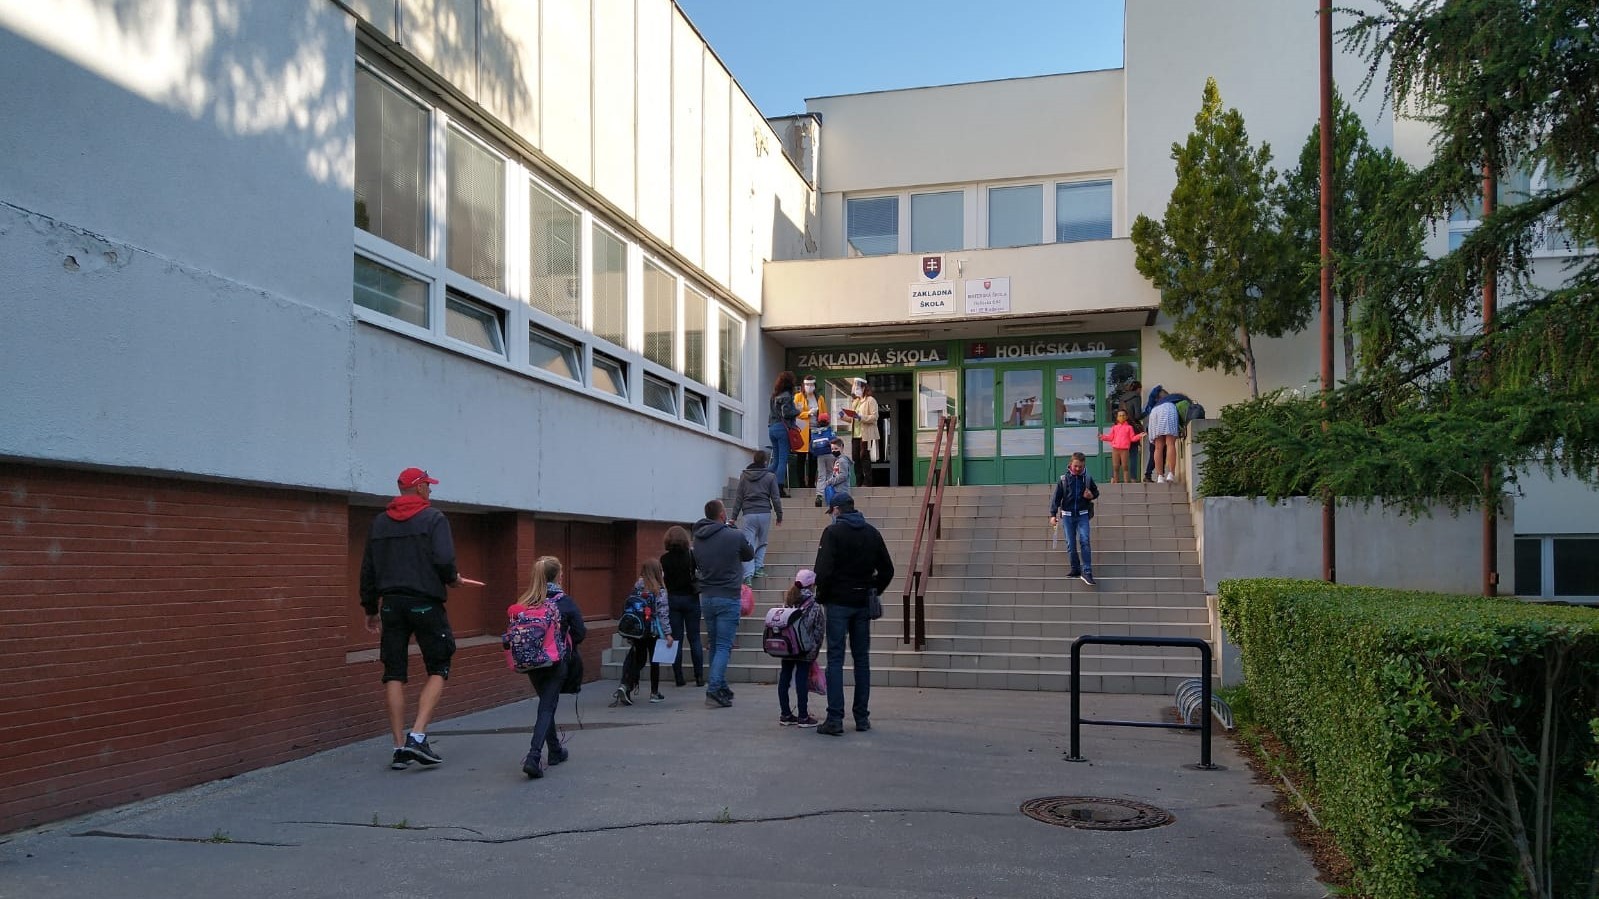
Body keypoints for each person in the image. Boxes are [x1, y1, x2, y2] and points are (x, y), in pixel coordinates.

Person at [360, 467, 468, 770]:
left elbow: (368, 569)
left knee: (393, 672)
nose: (430, 490)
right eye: (428, 486)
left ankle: (398, 748)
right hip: (425, 604)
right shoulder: (434, 519)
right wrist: (452, 579)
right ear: (419, 488)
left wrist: (370, 608)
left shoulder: (379, 523)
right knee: (439, 666)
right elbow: (444, 559)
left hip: (391, 606)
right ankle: (417, 736)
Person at [813, 490, 895, 736]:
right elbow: (887, 570)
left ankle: (835, 718)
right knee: (861, 660)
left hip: (838, 602)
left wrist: (822, 595)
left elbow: (822, 571)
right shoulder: (871, 533)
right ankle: (862, 717)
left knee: (835, 659)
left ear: (837, 510)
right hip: (862, 603)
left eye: (832, 511)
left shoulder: (832, 533)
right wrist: (873, 588)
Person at [512, 555, 586, 779]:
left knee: (547, 703)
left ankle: (555, 750)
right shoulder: (564, 602)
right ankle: (534, 756)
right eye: (561, 573)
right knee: (547, 707)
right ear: (557, 576)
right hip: (555, 662)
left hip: (531, 662)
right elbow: (580, 632)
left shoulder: (525, 602)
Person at [692, 498, 754, 708]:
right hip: (728, 595)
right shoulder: (733, 535)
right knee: (723, 646)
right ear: (722, 515)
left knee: (715, 643)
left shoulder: (698, 538)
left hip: (707, 596)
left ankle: (720, 685)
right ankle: (713, 688)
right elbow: (749, 554)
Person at [612, 560, 673, 706]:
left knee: (637, 659)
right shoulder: (659, 590)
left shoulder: (637, 587)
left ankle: (626, 685)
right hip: (652, 630)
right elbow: (662, 614)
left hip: (637, 630)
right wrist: (668, 633)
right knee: (654, 661)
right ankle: (654, 693)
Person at [660, 525, 703, 688]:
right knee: (695, 639)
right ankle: (699, 677)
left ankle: (678, 677)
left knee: (676, 640)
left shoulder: (664, 559)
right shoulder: (691, 556)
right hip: (691, 598)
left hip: (673, 599)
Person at [776, 569, 820, 728]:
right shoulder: (813, 604)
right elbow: (819, 630)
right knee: (802, 679)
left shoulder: (788, 600)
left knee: (784, 677)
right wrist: (814, 651)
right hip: (804, 648)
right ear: (812, 585)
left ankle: (785, 714)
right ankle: (803, 716)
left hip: (788, 646)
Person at [731, 448, 783, 582]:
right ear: (765, 462)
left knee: (749, 544)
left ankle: (748, 576)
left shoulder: (744, 476)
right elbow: (775, 498)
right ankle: (758, 567)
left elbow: (739, 497)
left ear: (753, 460)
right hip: (764, 512)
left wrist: (733, 517)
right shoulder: (770, 477)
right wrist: (779, 515)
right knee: (762, 542)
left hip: (748, 513)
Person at [1050, 452, 1101, 586]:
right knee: (1071, 544)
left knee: (1085, 541)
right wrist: (1053, 515)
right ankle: (1075, 568)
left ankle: (1087, 571)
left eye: (1081, 466)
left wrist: (1091, 495)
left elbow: (1096, 492)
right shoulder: (1063, 480)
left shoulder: (1087, 478)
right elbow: (1056, 498)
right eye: (1075, 466)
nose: (1078, 469)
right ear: (1070, 464)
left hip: (1083, 514)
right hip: (1067, 515)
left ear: (1084, 465)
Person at [1142, 385, 1191, 484]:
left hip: (1154, 412)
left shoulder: (1156, 404)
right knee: (1170, 444)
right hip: (1168, 410)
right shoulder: (1175, 399)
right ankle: (1171, 474)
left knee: (1158, 448)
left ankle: (1160, 476)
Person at [841, 378, 881, 487]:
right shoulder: (855, 401)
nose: (856, 390)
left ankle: (867, 482)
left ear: (864, 388)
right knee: (856, 457)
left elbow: (874, 417)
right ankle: (859, 481)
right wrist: (843, 416)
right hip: (855, 434)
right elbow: (852, 419)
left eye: (858, 388)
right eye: (855, 388)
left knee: (864, 456)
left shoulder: (870, 400)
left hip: (866, 434)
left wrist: (861, 417)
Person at [767, 371, 799, 497]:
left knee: (775, 461)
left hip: (772, 428)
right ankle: (779, 489)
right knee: (782, 461)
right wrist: (797, 411)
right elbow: (786, 413)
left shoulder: (774, 395)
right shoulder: (787, 396)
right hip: (782, 428)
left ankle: (760, 480)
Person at [793, 375, 828, 490]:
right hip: (802, 430)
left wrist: (822, 419)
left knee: (813, 458)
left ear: (814, 385)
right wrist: (808, 413)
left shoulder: (819, 398)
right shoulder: (798, 397)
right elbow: (795, 413)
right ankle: (801, 483)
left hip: (816, 431)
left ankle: (811, 483)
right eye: (807, 384)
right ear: (803, 385)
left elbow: (825, 414)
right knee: (801, 457)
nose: (809, 387)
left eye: (811, 384)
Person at [1098, 409, 1145, 484]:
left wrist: (1139, 436)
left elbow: (1132, 438)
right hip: (1115, 449)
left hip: (1124, 450)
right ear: (1117, 417)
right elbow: (1110, 437)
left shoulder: (1129, 427)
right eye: (1120, 415)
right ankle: (1116, 482)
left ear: (1126, 417)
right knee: (1115, 467)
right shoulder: (1114, 427)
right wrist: (1102, 437)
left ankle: (1126, 483)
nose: (1121, 417)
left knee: (1125, 467)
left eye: (1123, 415)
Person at [1115, 379, 1147, 482]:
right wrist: (1147, 412)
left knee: (1119, 455)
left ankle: (1113, 478)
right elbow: (1137, 416)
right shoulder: (1136, 397)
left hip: (1121, 429)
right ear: (1138, 389)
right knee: (1133, 454)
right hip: (1132, 429)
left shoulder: (1122, 399)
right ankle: (1133, 478)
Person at [818, 437, 854, 512]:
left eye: (836, 448)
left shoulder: (842, 461)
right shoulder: (837, 460)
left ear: (842, 447)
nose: (834, 451)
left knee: (839, 513)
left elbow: (843, 476)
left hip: (841, 491)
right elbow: (836, 474)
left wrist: (830, 482)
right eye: (832, 449)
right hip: (837, 491)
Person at [809, 413, 838, 507]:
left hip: (820, 455)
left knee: (821, 475)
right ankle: (829, 495)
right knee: (830, 474)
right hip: (830, 454)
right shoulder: (830, 430)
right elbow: (835, 441)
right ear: (828, 421)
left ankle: (819, 495)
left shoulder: (814, 432)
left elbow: (811, 447)